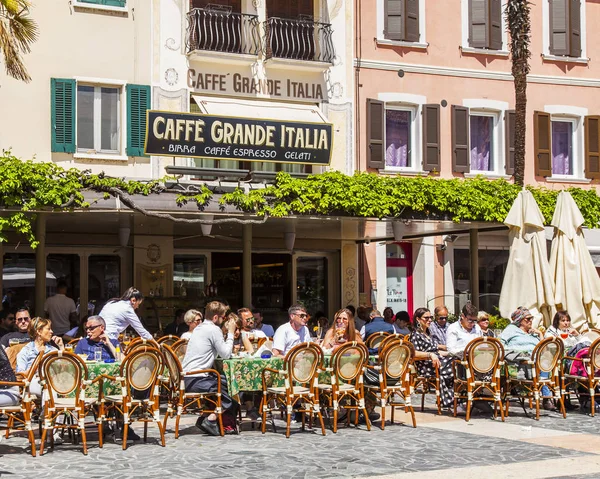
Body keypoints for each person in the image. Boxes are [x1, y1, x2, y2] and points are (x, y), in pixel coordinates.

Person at [182, 301, 239, 436]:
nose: (224, 320)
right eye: (223, 317)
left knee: (227, 381)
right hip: (197, 379)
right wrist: (230, 333)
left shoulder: (200, 328)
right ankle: (212, 419)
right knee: (232, 386)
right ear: (215, 318)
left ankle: (215, 419)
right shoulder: (213, 329)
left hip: (189, 377)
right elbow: (225, 354)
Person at [500, 307, 554, 410]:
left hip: (537, 361)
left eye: (531, 318)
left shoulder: (532, 333)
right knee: (543, 363)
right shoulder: (511, 329)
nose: (530, 321)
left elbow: (544, 349)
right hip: (522, 361)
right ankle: (546, 395)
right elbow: (501, 344)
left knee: (546, 360)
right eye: (527, 319)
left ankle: (544, 392)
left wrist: (540, 334)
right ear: (519, 320)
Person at [409, 308, 455, 409]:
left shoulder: (428, 333)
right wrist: (430, 355)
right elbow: (414, 353)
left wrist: (452, 353)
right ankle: (452, 400)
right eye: (426, 318)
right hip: (426, 365)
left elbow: (435, 350)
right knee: (455, 367)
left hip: (437, 361)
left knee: (458, 362)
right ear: (418, 319)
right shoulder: (415, 334)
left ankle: (457, 399)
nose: (429, 320)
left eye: (431, 317)